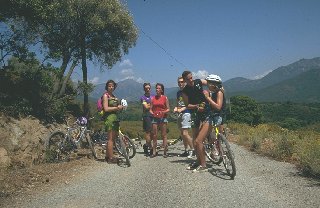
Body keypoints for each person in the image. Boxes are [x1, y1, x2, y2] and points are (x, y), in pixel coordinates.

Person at [181, 70, 211, 172]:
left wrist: (211, 92)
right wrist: (196, 106)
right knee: (195, 136)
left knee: (207, 131)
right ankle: (199, 159)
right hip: (195, 112)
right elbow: (187, 105)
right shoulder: (184, 91)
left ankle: (214, 151)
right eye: (188, 79)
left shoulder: (198, 81)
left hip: (206, 108)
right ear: (185, 80)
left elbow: (209, 83)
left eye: (191, 77)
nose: (191, 79)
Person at [102, 80, 124, 164]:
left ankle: (108, 156)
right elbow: (106, 108)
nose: (111, 87)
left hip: (115, 118)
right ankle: (111, 158)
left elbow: (117, 109)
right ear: (107, 87)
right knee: (110, 139)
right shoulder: (105, 96)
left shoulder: (114, 96)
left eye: (112, 86)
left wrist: (121, 108)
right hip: (109, 118)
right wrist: (116, 108)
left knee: (113, 139)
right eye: (109, 86)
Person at [173, 76, 194, 158]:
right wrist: (176, 108)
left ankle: (193, 149)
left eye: (182, 82)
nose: (180, 83)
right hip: (180, 114)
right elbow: (179, 103)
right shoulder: (178, 93)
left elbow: (189, 104)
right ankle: (186, 150)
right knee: (182, 134)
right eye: (179, 82)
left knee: (185, 133)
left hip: (187, 113)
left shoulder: (188, 91)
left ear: (185, 82)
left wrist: (181, 109)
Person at [149, 83, 170, 158]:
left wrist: (163, 112)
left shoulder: (165, 98)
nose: (157, 90)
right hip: (155, 118)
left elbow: (168, 109)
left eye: (159, 88)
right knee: (154, 135)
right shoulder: (153, 98)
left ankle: (165, 151)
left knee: (164, 135)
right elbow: (150, 109)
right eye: (156, 88)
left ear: (162, 90)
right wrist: (152, 113)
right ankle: (154, 152)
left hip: (163, 118)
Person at [140, 83, 154, 156]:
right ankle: (151, 148)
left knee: (153, 133)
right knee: (148, 132)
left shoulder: (153, 96)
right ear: (144, 89)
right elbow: (146, 107)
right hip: (146, 116)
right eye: (146, 88)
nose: (147, 89)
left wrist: (149, 104)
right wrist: (152, 103)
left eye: (149, 88)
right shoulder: (143, 97)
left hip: (153, 115)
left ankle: (146, 145)